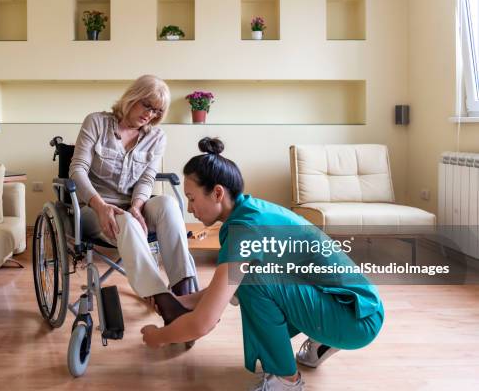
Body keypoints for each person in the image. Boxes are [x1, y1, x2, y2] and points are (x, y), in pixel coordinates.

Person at [141, 137, 385, 391]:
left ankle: (286, 381)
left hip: (355, 319)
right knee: (248, 280)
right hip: (354, 306)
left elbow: (204, 322)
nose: (189, 209)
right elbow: (222, 289)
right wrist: (179, 302)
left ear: (217, 193)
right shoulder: (251, 212)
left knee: (251, 283)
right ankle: (321, 341)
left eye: (191, 199)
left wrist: (158, 337)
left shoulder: (245, 230)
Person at [70, 74, 197, 326]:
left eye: (157, 111)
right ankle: (163, 301)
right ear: (133, 98)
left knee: (168, 204)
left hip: (133, 205)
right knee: (125, 220)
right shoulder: (96, 122)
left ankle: (185, 291)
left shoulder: (157, 137)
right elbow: (77, 170)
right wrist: (101, 206)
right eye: (146, 105)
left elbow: (147, 178)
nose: (150, 114)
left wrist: (138, 206)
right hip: (93, 208)